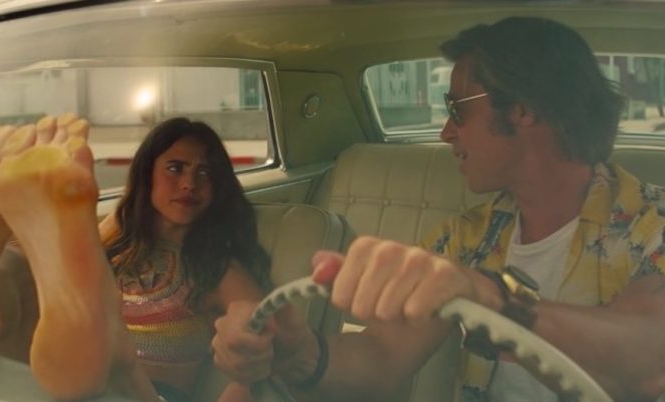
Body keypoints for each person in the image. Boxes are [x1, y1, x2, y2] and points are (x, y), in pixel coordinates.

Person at [211, 16, 665, 402]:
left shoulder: (651, 224)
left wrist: (493, 298)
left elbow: (649, 359)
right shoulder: (466, 238)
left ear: (524, 108)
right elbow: (382, 356)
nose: (447, 131)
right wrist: (301, 355)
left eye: (457, 107)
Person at [0, 114, 270, 402]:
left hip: (147, 393)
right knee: (15, 270)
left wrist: (253, 353)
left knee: (104, 341)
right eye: (175, 168)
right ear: (147, 174)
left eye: (205, 173)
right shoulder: (118, 236)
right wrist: (0, 266)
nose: (190, 183)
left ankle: (107, 351)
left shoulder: (220, 268)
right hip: (55, 380)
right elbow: (48, 261)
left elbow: (263, 345)